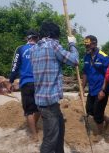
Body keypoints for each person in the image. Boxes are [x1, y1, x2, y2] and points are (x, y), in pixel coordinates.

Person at [30, 22, 79, 153]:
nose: (58, 39)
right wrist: (72, 44)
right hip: (49, 103)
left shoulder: (33, 49)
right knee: (50, 140)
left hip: (43, 101)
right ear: (52, 35)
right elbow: (74, 60)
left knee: (59, 131)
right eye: (57, 36)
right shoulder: (53, 45)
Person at [9, 29, 40, 141]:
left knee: (29, 110)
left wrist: (10, 81)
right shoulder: (41, 48)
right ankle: (34, 126)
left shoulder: (21, 49)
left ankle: (34, 134)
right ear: (37, 38)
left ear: (27, 38)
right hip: (40, 83)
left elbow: (14, 66)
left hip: (26, 83)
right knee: (38, 107)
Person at [82, 35, 109, 141]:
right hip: (92, 89)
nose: (87, 47)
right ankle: (107, 119)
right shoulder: (86, 57)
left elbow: (108, 75)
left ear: (94, 44)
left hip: (102, 89)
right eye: (85, 45)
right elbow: (85, 72)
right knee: (90, 110)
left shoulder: (104, 57)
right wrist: (82, 87)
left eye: (89, 45)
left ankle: (100, 134)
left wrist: (103, 90)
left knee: (97, 114)